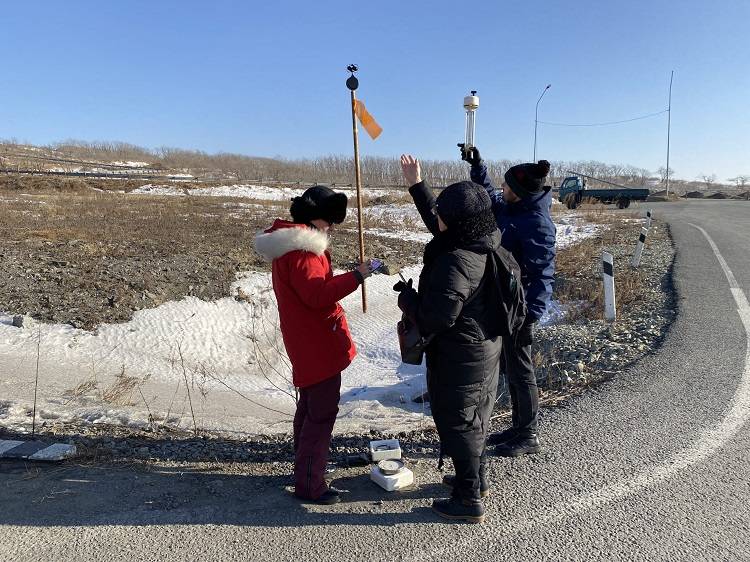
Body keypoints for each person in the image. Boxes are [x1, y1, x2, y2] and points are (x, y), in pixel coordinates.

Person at [396, 154, 506, 523]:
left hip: (461, 352)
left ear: (458, 223)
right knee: (476, 414)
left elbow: (437, 318)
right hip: (483, 344)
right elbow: (440, 221)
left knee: (458, 419)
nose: (436, 220)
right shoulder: (482, 237)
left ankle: (467, 498)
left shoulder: (458, 260)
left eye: (442, 214)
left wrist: (407, 299)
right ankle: (475, 477)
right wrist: (417, 185)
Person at [254, 185, 372, 505]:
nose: (331, 227)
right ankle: (309, 482)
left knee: (309, 409)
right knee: (320, 415)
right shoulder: (304, 252)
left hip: (308, 342)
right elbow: (317, 295)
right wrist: (358, 276)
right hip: (317, 345)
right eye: (328, 221)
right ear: (312, 218)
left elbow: (313, 293)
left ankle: (306, 466)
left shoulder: (291, 247)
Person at [461, 146, 556, 457]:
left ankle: (528, 434)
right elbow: (488, 194)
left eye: (507, 186)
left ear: (519, 191)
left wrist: (531, 316)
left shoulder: (537, 223)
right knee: (512, 369)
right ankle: (518, 427)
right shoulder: (510, 208)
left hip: (520, 309)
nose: (502, 189)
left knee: (521, 370)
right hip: (504, 304)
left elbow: (543, 273)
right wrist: (478, 166)